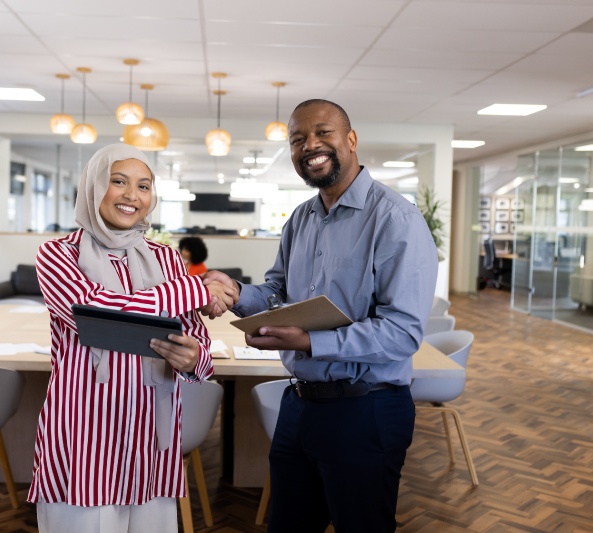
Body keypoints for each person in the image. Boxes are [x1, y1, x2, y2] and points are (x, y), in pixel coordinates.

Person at [204, 100, 438, 532]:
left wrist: (308, 341)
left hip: (366, 408)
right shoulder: (301, 219)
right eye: (297, 139)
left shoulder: (396, 219)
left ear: (350, 140)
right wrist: (238, 293)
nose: (309, 145)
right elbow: (278, 293)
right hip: (301, 405)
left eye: (322, 132)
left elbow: (403, 334)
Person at [29, 144, 237, 533]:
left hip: (150, 439)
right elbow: (97, 311)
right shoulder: (58, 256)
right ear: (93, 187)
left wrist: (194, 358)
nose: (132, 195)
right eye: (118, 181)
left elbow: (197, 341)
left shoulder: (168, 259)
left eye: (144, 186)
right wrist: (195, 289)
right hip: (86, 434)